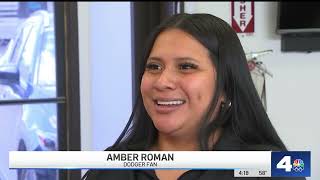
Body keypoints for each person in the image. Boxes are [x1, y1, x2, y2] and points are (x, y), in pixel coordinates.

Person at [82, 13, 305, 180]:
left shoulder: (273, 169)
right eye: (154, 66)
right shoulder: (109, 168)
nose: (162, 82)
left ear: (226, 86)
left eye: (186, 66)